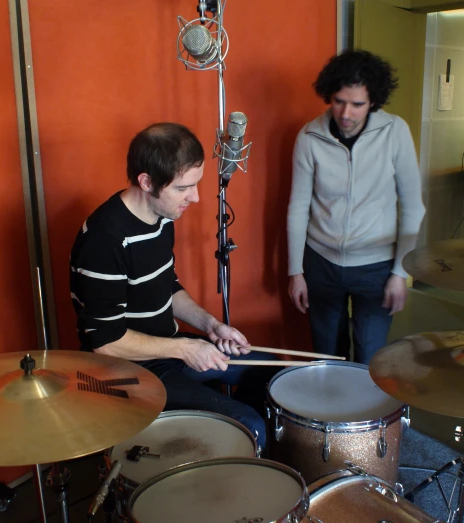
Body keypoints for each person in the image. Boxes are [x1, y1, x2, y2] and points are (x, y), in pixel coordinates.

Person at [70, 122, 274, 451]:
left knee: (267, 372)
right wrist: (185, 349)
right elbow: (105, 342)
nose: (195, 197)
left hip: (166, 349)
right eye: (183, 188)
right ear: (147, 182)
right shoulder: (105, 240)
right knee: (247, 425)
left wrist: (212, 326)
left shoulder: (161, 217)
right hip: (128, 369)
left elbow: (167, 285)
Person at [287, 50, 425, 364]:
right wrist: (296, 272)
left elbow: (413, 207)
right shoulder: (309, 137)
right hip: (321, 263)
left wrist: (400, 272)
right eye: (338, 101)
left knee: (370, 358)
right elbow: (298, 207)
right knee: (327, 358)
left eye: (357, 104)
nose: (346, 112)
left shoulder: (395, 132)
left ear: (373, 101)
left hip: (376, 267)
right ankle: (331, 413)